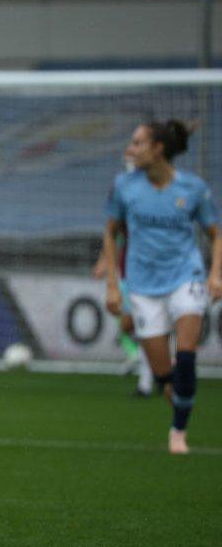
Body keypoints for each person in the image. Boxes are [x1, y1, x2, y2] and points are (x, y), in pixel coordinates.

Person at [102, 119, 222, 454]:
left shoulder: (193, 188)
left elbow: (216, 233)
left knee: (186, 356)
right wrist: (113, 284)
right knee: (164, 376)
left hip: (186, 277)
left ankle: (178, 433)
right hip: (142, 286)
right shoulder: (124, 186)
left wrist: (215, 275)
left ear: (159, 149)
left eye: (138, 142)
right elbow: (110, 233)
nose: (131, 148)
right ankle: (176, 393)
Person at [93, 225, 155, 397]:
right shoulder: (125, 217)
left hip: (150, 278)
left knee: (147, 329)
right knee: (130, 327)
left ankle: (148, 381)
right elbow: (112, 239)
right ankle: (156, 366)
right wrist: (103, 263)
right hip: (129, 278)